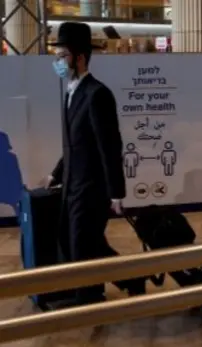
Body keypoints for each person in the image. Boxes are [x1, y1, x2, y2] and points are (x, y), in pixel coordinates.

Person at [44, 22, 145, 307]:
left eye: (62, 56)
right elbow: (75, 145)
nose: (57, 63)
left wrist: (116, 193)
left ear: (79, 58)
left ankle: (88, 299)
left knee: (81, 245)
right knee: (86, 243)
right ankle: (132, 278)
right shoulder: (71, 93)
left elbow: (109, 146)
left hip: (92, 189)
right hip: (71, 185)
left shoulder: (97, 94)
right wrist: (55, 173)